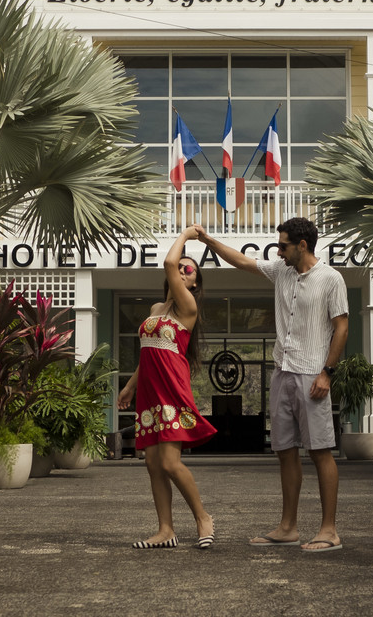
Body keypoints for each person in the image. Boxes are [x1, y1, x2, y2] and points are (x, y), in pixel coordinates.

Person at [195, 217, 348, 553]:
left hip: (313, 375)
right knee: (284, 451)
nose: (277, 251)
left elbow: (341, 328)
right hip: (282, 371)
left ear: (302, 245)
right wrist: (208, 240)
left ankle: (329, 530)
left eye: (283, 245)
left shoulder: (331, 279)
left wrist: (327, 372)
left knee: (320, 450)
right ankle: (288, 527)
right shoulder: (281, 272)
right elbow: (242, 260)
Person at [117, 226, 217, 550]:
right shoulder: (155, 311)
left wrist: (187, 234)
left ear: (194, 283)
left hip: (172, 389)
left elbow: (168, 263)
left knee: (170, 463)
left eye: (189, 269)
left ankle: (203, 517)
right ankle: (165, 530)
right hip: (148, 390)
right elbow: (148, 353)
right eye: (182, 266)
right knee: (151, 463)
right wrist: (130, 387)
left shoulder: (188, 308)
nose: (181, 269)